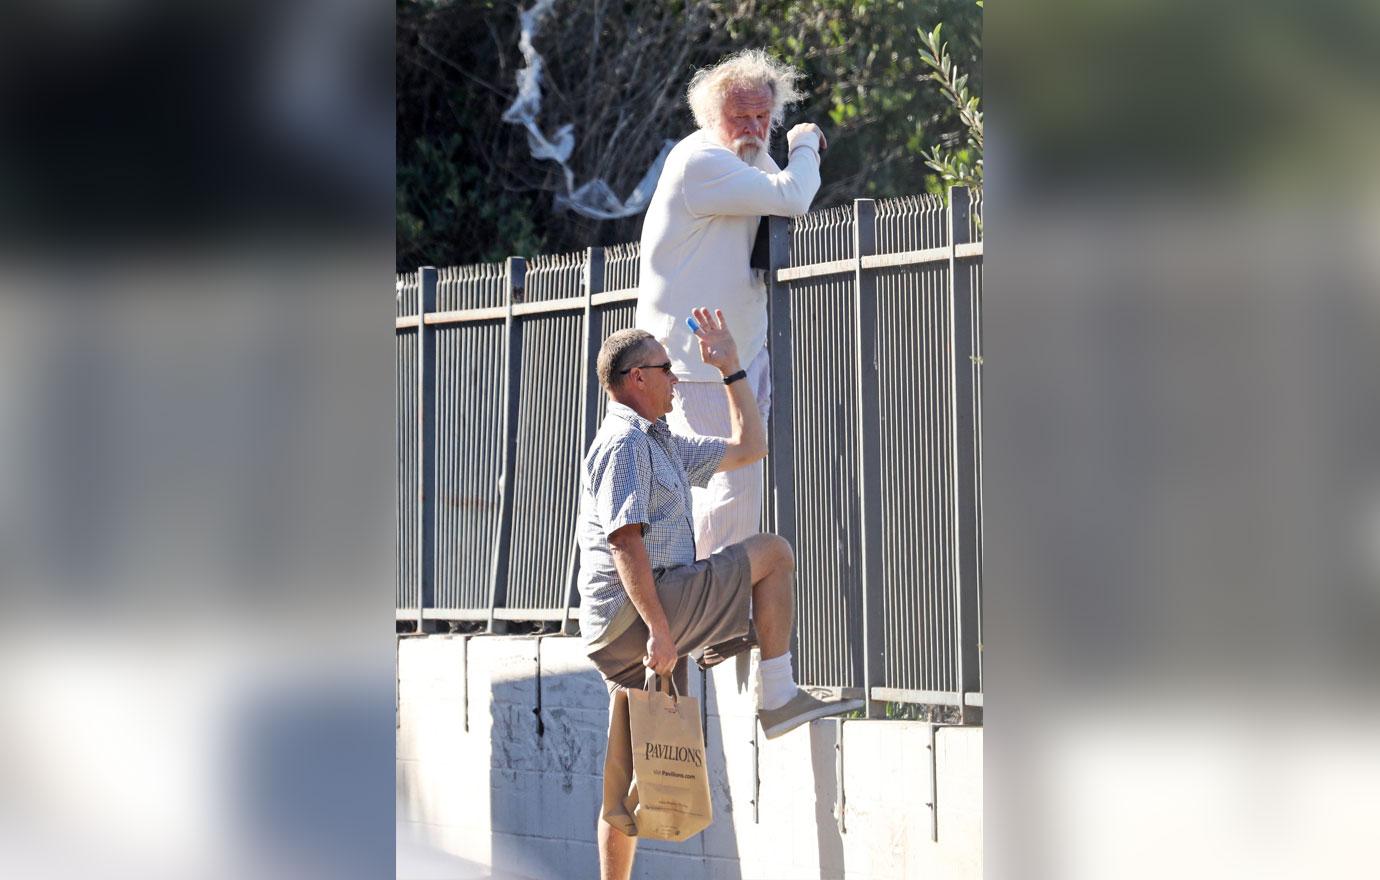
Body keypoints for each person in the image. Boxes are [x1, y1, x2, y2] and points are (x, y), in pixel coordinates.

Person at [578, 309, 862, 880]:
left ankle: (719, 635)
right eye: (666, 370)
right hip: (641, 614)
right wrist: (661, 631)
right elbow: (625, 543)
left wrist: (732, 367)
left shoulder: (663, 443)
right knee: (774, 554)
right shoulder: (626, 442)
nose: (676, 380)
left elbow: (749, 446)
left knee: (632, 774)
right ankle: (776, 693)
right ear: (637, 379)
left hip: (630, 621)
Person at [635, 49, 826, 667]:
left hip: (732, 356)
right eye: (740, 117)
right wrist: (804, 143)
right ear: (712, 116)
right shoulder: (702, 162)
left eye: (763, 117)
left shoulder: (742, 159)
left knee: (737, 485)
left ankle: (719, 616)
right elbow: (794, 197)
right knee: (724, 483)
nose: (752, 129)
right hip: (699, 363)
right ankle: (711, 621)